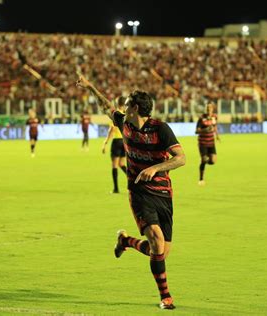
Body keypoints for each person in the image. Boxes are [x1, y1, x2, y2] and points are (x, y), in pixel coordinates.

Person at [76, 74, 186, 310]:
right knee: (156, 240)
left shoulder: (160, 129)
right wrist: (90, 86)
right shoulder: (123, 123)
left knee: (161, 252)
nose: (122, 106)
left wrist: (156, 168)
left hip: (163, 195)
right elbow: (106, 106)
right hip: (138, 193)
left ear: (135, 108)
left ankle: (126, 241)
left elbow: (181, 158)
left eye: (126, 103)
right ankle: (166, 297)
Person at [102, 96, 127, 193]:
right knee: (122, 164)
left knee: (115, 165)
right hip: (124, 142)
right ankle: (133, 180)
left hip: (117, 141)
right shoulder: (126, 115)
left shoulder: (116, 114)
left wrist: (105, 143)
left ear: (117, 103)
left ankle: (116, 189)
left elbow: (111, 130)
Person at [196, 103, 220, 185]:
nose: (208, 109)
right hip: (203, 143)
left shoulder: (214, 117)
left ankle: (204, 159)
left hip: (211, 142)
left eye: (210, 108)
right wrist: (205, 130)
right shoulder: (202, 118)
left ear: (212, 109)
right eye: (207, 108)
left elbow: (215, 126)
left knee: (213, 161)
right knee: (204, 160)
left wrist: (217, 136)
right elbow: (196, 131)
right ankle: (201, 179)